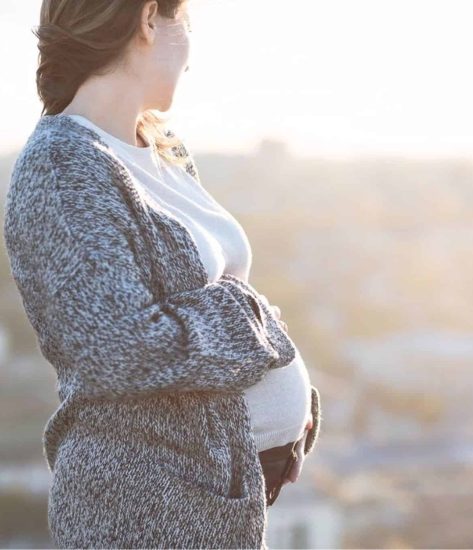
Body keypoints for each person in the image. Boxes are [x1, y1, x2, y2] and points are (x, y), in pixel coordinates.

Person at [4, 0, 321, 547]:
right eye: (188, 24)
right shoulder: (64, 165)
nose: (191, 57)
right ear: (149, 17)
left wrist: (281, 426)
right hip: (148, 507)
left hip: (214, 491)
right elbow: (120, 347)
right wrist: (256, 323)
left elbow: (208, 295)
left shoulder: (160, 148)